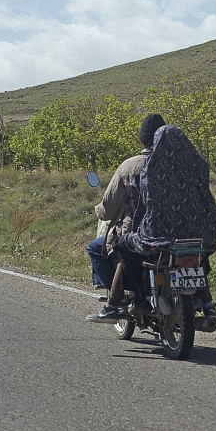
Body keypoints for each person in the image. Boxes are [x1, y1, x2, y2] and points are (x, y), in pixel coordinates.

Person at [94, 123, 216, 323]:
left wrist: (138, 228)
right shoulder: (196, 166)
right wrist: (215, 222)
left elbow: (143, 206)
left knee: (125, 248)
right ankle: (207, 304)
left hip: (157, 235)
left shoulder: (150, 169)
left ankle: (136, 298)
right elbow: (208, 201)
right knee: (200, 256)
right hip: (199, 235)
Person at [85, 113, 165, 323]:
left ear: (141, 139)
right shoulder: (176, 165)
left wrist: (98, 210)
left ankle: (116, 301)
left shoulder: (129, 166)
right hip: (177, 232)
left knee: (97, 247)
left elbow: (108, 209)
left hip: (138, 233)